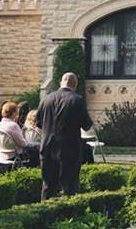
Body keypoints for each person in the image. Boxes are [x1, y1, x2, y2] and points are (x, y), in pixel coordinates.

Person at [35, 72, 93, 200]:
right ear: (75, 85)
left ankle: (44, 213)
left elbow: (38, 123)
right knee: (70, 185)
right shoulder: (77, 100)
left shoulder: (46, 99)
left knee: (48, 185)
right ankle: (68, 214)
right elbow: (87, 125)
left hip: (47, 147)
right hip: (69, 148)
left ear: (61, 82)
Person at [0, 102, 39, 167]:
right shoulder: (13, 125)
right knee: (37, 146)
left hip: (1, 154)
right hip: (15, 155)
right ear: (13, 113)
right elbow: (23, 144)